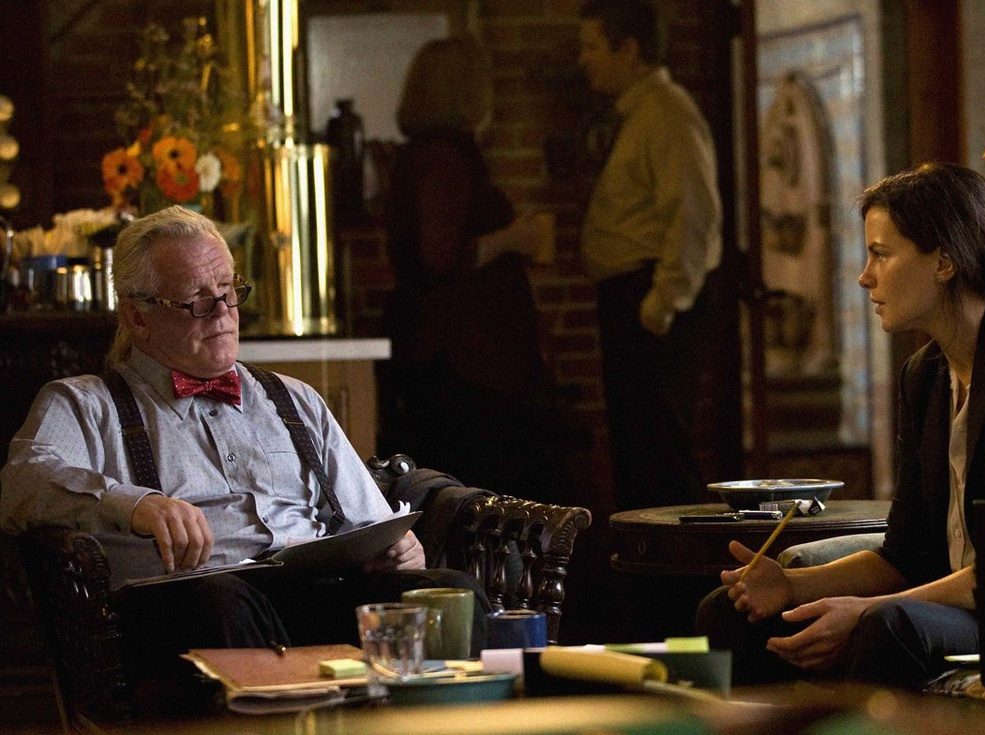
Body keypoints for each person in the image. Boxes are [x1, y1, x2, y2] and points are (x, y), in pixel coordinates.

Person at [0, 205, 487, 707]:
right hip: (192, 613)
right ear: (137, 316)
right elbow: (20, 485)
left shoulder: (294, 399)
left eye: (228, 292)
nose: (222, 314)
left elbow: (372, 524)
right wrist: (134, 503)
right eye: (196, 301)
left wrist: (397, 549)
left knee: (451, 592)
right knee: (220, 604)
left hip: (313, 594)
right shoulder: (84, 404)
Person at [696, 163, 985, 689]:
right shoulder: (923, 375)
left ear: (943, 262)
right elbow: (904, 555)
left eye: (881, 254)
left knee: (887, 627)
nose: (865, 276)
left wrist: (862, 609)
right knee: (727, 614)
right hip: (960, 607)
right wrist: (790, 584)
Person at [379, 35, 564, 500]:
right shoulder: (444, 157)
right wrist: (512, 238)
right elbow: (440, 257)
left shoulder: (425, 155)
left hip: (449, 356)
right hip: (465, 362)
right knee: (481, 488)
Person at [577, 0, 722, 511]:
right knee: (638, 448)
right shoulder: (642, 112)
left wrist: (662, 303)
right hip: (634, 294)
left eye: (593, 46)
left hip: (650, 298)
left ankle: (676, 560)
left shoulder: (667, 113)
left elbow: (694, 214)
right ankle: (648, 557)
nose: (584, 59)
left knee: (659, 450)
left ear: (629, 49)